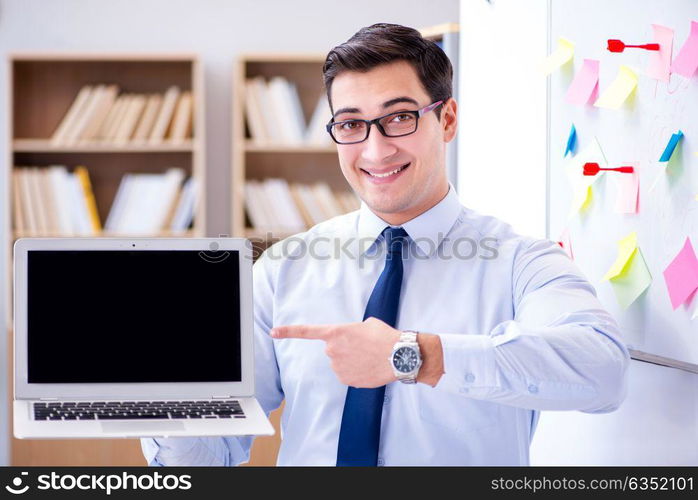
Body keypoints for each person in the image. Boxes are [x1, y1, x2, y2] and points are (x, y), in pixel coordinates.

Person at [142, 23, 629, 466]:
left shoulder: (520, 261)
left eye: (399, 118)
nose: (376, 150)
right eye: (351, 124)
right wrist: (171, 398)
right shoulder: (284, 269)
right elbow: (208, 457)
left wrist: (414, 355)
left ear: (449, 120)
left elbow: (603, 371)